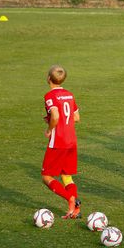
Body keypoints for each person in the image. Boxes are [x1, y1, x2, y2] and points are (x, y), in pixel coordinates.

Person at [41, 65, 82, 219]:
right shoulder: (69, 95)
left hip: (58, 142)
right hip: (72, 141)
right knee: (66, 176)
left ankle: (70, 198)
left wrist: (50, 128)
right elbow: (77, 118)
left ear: (48, 78)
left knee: (47, 176)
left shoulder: (49, 96)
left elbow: (56, 116)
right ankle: (75, 209)